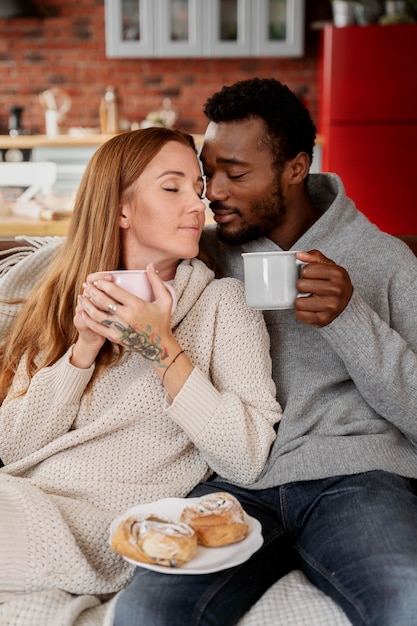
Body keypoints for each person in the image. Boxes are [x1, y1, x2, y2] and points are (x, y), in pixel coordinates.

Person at [114, 78, 417, 626]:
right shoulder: (203, 249)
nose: (213, 194)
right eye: (210, 175)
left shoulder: (385, 261)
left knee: (407, 602)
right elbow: (102, 245)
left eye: (237, 173)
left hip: (357, 477)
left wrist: (351, 319)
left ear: (296, 168)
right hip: (232, 483)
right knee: (144, 613)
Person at [0, 127, 282, 601]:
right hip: (24, 498)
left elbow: (248, 456)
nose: (198, 205)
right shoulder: (64, 299)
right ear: (120, 209)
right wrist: (81, 353)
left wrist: (162, 349)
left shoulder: (223, 304)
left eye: (197, 188)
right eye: (172, 188)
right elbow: (12, 447)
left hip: (101, 530)